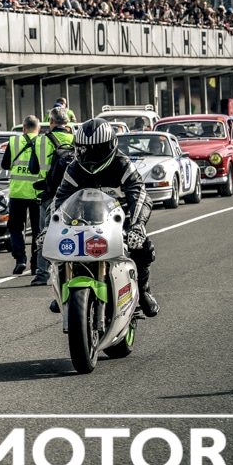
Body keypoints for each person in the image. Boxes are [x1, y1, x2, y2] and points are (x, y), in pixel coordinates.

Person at [53, 118, 159, 317]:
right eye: (86, 150)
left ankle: (144, 291)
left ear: (111, 146)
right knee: (61, 248)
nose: (91, 155)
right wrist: (48, 228)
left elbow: (139, 193)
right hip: (83, 222)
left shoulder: (122, 163)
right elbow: (60, 199)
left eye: (98, 150)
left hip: (120, 222)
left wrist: (137, 226)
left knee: (142, 247)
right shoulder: (74, 168)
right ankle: (63, 289)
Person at [28, 106, 74, 286]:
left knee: (44, 235)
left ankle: (42, 274)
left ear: (51, 122)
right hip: (72, 195)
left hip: (48, 196)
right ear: (67, 122)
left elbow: (33, 168)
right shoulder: (75, 139)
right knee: (72, 232)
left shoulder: (40, 141)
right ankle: (70, 271)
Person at [2, 115, 42, 275]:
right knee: (37, 230)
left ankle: (20, 259)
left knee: (16, 228)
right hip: (36, 192)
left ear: (24, 128)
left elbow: (4, 164)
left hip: (17, 192)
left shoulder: (14, 142)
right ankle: (35, 263)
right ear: (38, 129)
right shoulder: (42, 142)